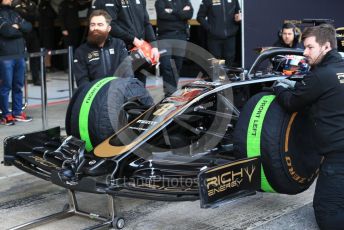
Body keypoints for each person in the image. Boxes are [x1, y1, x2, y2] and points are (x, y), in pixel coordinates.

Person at [273, 24, 344, 229]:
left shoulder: (321, 76)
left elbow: (291, 102)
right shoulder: (335, 70)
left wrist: (279, 87)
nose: (304, 52)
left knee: (327, 215)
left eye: (310, 47)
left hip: (338, 157)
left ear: (326, 47)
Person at [91, 0, 159, 85]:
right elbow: (111, 24)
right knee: (122, 87)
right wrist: (133, 39)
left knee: (140, 87)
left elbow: (146, 23)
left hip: (140, 51)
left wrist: (154, 45)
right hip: (119, 50)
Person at [73, 10, 133, 87]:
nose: (95, 28)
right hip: (95, 94)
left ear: (108, 28)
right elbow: (82, 82)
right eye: (92, 25)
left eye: (100, 24)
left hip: (118, 91)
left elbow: (127, 72)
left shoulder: (119, 45)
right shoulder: (81, 51)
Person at [0, 0, 33, 125]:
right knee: (5, 86)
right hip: (6, 56)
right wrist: (19, 28)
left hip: (19, 55)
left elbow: (29, 27)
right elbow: (7, 32)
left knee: (18, 86)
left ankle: (17, 113)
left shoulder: (15, 13)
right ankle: (5, 115)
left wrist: (17, 26)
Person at [155, 0, 193, 97]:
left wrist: (172, 11)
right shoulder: (160, 2)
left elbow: (189, 14)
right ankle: (168, 92)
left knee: (177, 65)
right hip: (165, 37)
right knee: (166, 65)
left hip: (181, 36)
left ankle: (173, 91)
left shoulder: (185, 1)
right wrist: (180, 12)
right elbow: (162, 14)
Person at [197, 0, 241, 68]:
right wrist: (210, 29)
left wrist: (237, 20)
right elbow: (200, 17)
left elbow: (238, 12)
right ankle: (220, 78)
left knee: (230, 59)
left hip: (230, 36)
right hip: (214, 38)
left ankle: (227, 77)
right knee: (217, 60)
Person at [12, 0, 41, 85]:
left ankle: (36, 78)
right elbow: (20, 15)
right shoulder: (16, 3)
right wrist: (30, 12)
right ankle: (20, 79)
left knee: (35, 56)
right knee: (21, 58)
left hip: (32, 32)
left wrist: (27, 12)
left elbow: (37, 16)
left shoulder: (32, 3)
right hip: (21, 33)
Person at [38, 0, 56, 71]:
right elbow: (53, 15)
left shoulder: (42, 6)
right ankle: (47, 65)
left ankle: (47, 65)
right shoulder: (45, 5)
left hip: (45, 29)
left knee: (48, 47)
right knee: (47, 47)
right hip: (46, 29)